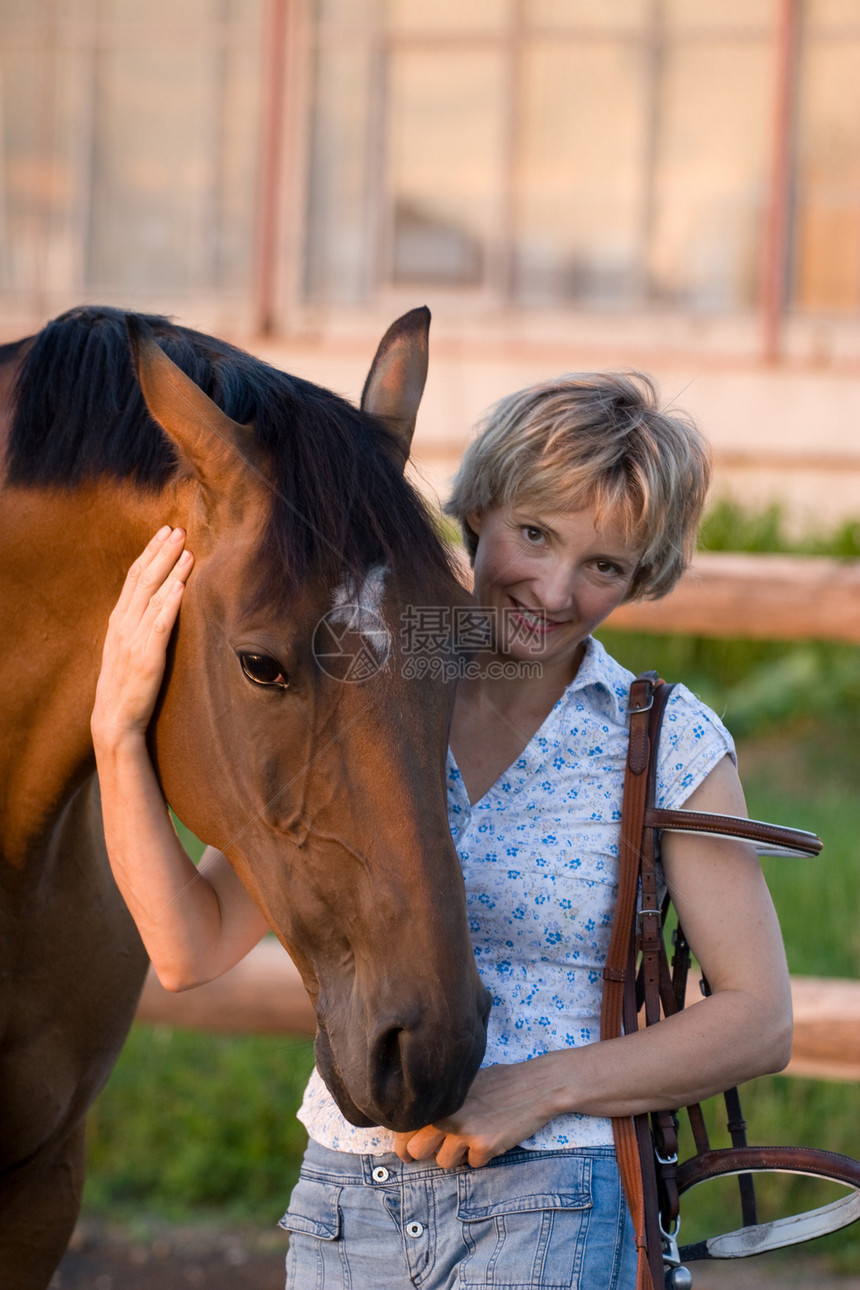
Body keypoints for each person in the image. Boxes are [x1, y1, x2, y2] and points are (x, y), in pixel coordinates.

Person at [92, 371, 792, 1290]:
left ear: (642, 577)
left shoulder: (664, 738)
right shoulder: (360, 675)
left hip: (554, 1201)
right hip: (344, 1199)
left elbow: (759, 1018)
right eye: (535, 536)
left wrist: (537, 1088)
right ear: (481, 508)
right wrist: (115, 731)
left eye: (604, 566)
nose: (551, 589)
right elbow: (190, 946)